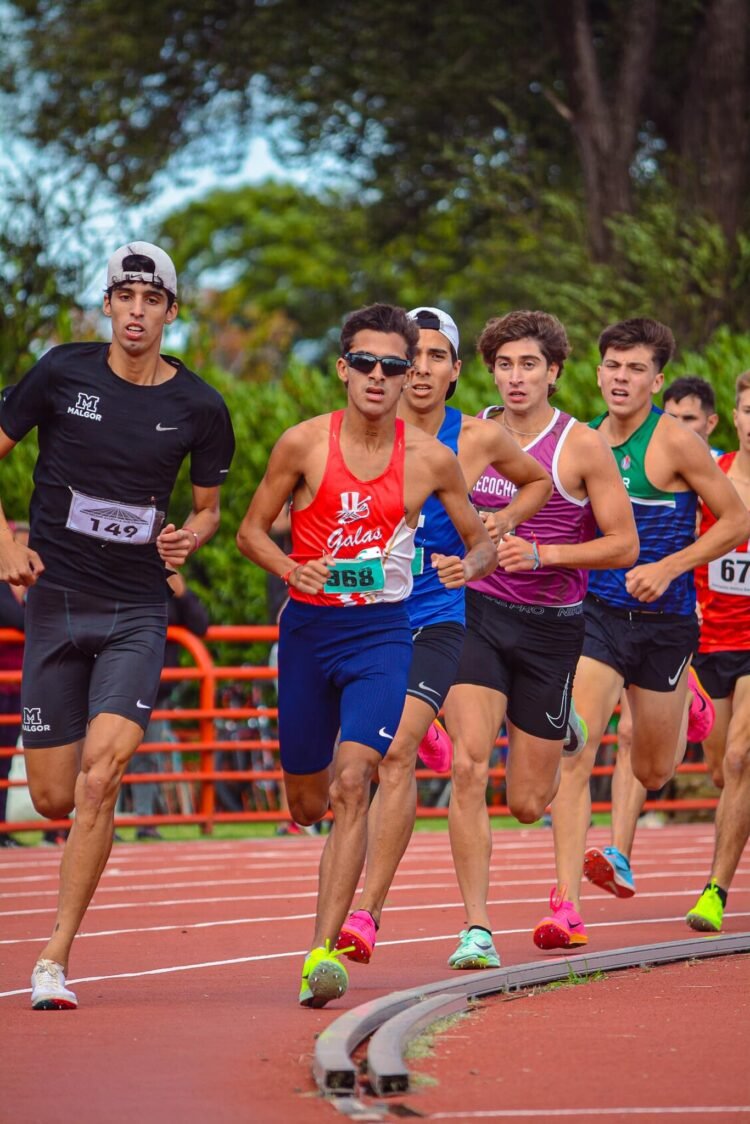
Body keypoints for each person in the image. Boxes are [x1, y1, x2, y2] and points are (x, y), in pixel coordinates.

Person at [236, 302, 497, 1008]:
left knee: (358, 780)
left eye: (394, 365)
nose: (379, 378)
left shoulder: (432, 460)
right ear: (344, 369)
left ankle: (322, 953)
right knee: (310, 799)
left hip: (382, 635)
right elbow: (250, 533)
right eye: (366, 364)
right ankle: (317, 820)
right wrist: (292, 570)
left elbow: (480, 541)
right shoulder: (302, 446)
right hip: (309, 636)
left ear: (411, 373)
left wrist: (465, 569)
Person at [0, 241, 235, 1009]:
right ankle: (60, 927)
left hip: (138, 607)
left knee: (103, 779)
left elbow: (206, 510)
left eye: (152, 299)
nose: (137, 311)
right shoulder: (61, 373)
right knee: (56, 795)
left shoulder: (199, 407)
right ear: (106, 305)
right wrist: (6, 541)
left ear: (172, 312)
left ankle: (53, 958)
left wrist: (187, 539)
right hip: (57, 601)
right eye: (124, 297)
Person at [334, 306, 552, 965]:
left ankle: (447, 924)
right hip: (368, 617)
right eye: (411, 356)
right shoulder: (361, 432)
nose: (420, 369)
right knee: (340, 779)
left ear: (456, 370)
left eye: (436, 357)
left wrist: (496, 528)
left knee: (441, 762)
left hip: (438, 617)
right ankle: (369, 911)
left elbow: (538, 481)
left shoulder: (478, 439)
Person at [439, 309, 639, 969]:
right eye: (504, 364)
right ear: (490, 371)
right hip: (478, 613)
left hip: (552, 628)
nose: (516, 377)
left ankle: (563, 729)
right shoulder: (472, 435)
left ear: (554, 372)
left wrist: (544, 554)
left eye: (529, 364)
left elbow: (623, 544)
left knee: (527, 803)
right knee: (468, 765)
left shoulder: (581, 446)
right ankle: (476, 929)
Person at [542, 317, 749, 948]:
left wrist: (668, 565)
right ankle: (565, 906)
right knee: (576, 748)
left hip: (666, 625)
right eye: (612, 366)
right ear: (597, 372)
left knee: (655, 768)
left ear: (656, 380)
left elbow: (736, 521)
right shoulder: (579, 441)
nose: (621, 379)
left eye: (636, 370)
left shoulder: (676, 444)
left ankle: (685, 708)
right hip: (598, 617)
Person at [686, 371, 750, 931]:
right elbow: (680, 536)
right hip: (711, 642)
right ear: (735, 416)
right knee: (718, 773)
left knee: (739, 758)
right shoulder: (714, 474)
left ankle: (715, 890)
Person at [129, 569, 209, 839]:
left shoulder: (171, 584)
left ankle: (145, 821)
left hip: (156, 688)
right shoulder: (121, 576)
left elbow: (200, 625)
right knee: (103, 753)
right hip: (116, 683)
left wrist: (183, 593)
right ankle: (102, 820)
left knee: (148, 757)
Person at [0, 522, 27, 847]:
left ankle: (3, 828)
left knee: (5, 760)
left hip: (14, 685)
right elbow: (17, 618)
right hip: (3, 683)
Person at [663, 375, 721, 456]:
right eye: (671, 417)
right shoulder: (647, 464)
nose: (678, 426)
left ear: (710, 423)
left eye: (688, 418)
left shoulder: (727, 467)